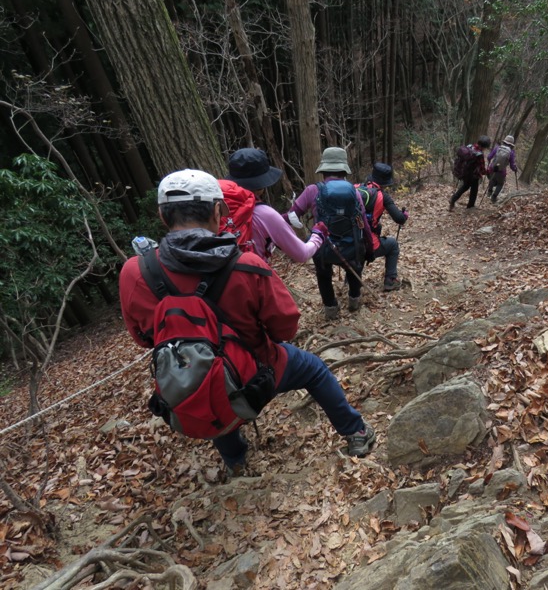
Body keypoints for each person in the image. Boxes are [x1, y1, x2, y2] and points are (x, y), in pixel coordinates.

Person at [119, 169, 376, 475]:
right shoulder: (247, 266)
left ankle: (235, 460)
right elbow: (285, 328)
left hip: (187, 383)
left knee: (203, 369)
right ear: (218, 211)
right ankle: (355, 432)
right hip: (259, 371)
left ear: (163, 216)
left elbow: (142, 337)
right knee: (313, 369)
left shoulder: (136, 273)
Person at [284, 147, 374, 320]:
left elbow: (292, 215)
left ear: (323, 170)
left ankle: (330, 308)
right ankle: (354, 300)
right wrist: (369, 248)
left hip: (322, 247)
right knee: (354, 267)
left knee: (323, 274)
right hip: (351, 247)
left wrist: (270, 218)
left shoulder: (312, 190)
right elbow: (364, 225)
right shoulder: (354, 192)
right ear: (344, 171)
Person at [221, 148, 328, 263]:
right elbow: (302, 254)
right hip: (251, 276)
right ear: (261, 186)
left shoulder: (216, 207)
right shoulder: (266, 214)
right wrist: (318, 234)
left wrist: (281, 220)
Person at [357, 163, 409, 291]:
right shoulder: (383, 197)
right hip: (369, 244)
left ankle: (350, 283)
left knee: (357, 248)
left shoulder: (356, 189)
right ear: (385, 183)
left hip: (348, 242)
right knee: (392, 245)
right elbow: (399, 219)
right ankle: (390, 280)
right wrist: (405, 215)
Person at [449, 135, 491, 211]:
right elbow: (482, 170)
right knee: (474, 191)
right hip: (473, 176)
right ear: (484, 147)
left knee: (465, 186)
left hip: (464, 173)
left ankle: (453, 198)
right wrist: (490, 171)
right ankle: (470, 207)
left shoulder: (469, 146)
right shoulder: (479, 155)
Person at [486, 135, 518, 203]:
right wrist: (515, 169)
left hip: (493, 168)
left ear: (504, 141)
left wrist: (489, 161)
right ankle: (494, 197)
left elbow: (489, 157)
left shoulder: (497, 148)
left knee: (492, 179)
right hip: (501, 171)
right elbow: (512, 165)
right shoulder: (511, 152)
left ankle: (489, 191)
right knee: (500, 184)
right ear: (511, 144)